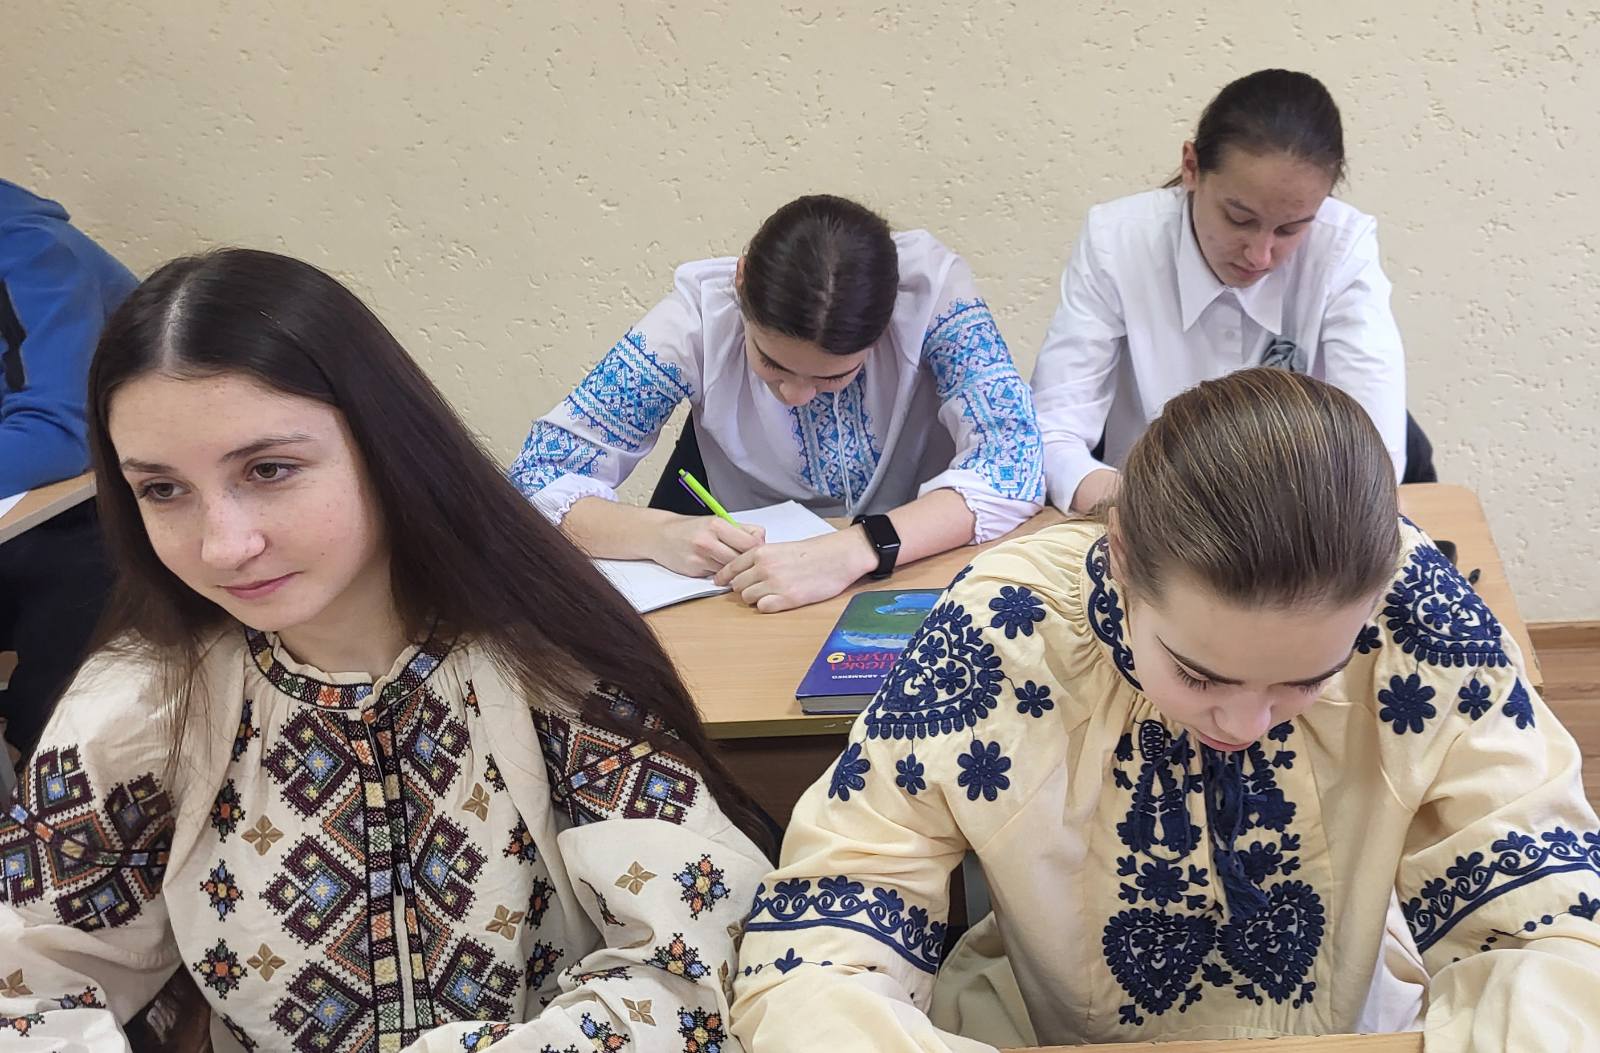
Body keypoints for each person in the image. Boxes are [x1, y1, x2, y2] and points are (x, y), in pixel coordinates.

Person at [0, 249, 772, 1052]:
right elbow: (23, 988)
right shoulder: (140, 708)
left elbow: (689, 972)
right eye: (163, 490)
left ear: (384, 442)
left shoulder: (557, 666)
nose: (224, 544)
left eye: (269, 469)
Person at [731, 368, 1600, 1052]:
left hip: (1351, 1029)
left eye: (1307, 680)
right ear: (1118, 561)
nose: (1245, 725)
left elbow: (1557, 919)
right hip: (1045, 1033)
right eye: (1198, 673)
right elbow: (827, 931)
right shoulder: (1003, 630)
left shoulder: (1417, 615)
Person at [510, 194, 1044, 612]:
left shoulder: (931, 295)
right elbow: (535, 480)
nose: (796, 395)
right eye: (771, 363)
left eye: (835, 376)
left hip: (916, 571)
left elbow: (1014, 463)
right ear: (741, 281)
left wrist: (855, 550)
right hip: (751, 591)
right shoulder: (696, 321)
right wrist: (662, 533)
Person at [1031, 69, 1433, 514]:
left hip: (1299, 523)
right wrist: (1153, 514)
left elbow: (1375, 459)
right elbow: (1052, 434)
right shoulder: (1116, 241)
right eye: (1239, 219)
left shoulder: (1342, 247)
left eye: (1290, 229)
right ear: (1191, 168)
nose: (1260, 255)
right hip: (1146, 515)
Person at [0, 178, 136, 767]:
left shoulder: (28, 248)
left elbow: (57, 433)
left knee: (84, 570)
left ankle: (50, 772)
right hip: (24, 499)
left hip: (93, 503)